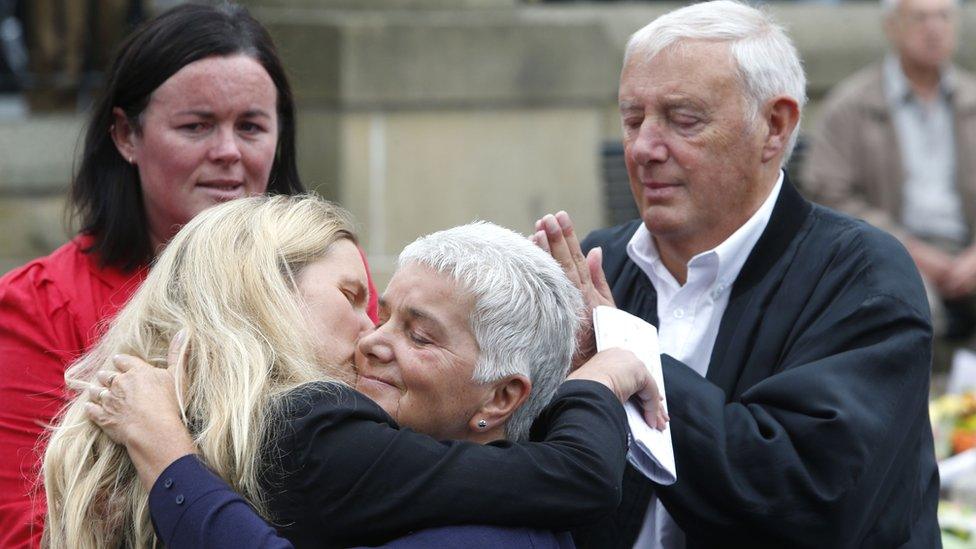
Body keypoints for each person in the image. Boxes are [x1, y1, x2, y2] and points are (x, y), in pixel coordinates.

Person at [533, 1, 939, 546]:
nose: (645, 149)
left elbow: (803, 495)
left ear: (774, 127)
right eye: (632, 119)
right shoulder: (598, 265)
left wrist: (623, 354)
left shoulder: (861, 274)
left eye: (683, 120)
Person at [43, 194, 661, 548]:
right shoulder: (305, 426)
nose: (371, 336)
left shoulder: (207, 430)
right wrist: (603, 376)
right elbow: (575, 476)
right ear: (264, 291)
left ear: (501, 397)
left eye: (417, 333)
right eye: (357, 299)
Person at [0, 4, 378, 547]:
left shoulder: (335, 273)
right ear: (127, 135)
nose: (227, 152)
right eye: (196, 126)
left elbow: (401, 434)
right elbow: (29, 529)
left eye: (250, 126)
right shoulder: (37, 304)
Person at [803, 0, 976, 345]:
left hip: (968, 249)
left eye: (943, 16)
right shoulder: (851, 105)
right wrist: (906, 248)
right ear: (891, 27)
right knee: (906, 303)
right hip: (889, 249)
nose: (934, 28)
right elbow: (827, 193)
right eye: (920, 17)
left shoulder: (971, 97)